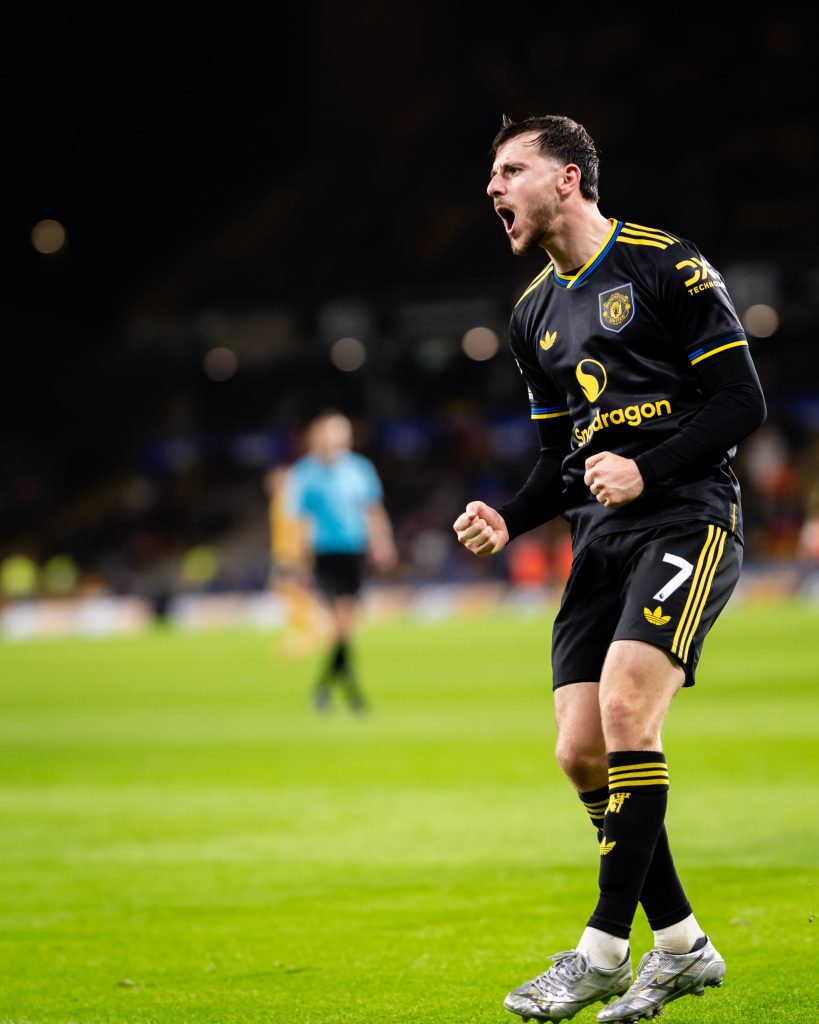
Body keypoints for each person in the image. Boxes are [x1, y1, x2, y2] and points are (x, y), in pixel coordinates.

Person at [453, 114, 766, 1023]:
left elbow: (740, 398)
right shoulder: (530, 316)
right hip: (599, 541)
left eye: (509, 169)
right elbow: (560, 461)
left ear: (568, 180)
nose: (492, 187)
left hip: (687, 516)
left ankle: (599, 949)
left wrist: (648, 467)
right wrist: (507, 518)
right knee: (580, 750)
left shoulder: (665, 263)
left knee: (628, 712)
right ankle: (681, 947)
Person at [286, 411, 398, 713]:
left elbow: (373, 510)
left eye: (343, 433)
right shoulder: (305, 473)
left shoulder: (360, 469)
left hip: (353, 550)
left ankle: (327, 688)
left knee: (345, 625)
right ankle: (349, 692)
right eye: (333, 432)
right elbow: (301, 523)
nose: (339, 439)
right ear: (318, 436)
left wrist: (382, 541)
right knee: (341, 622)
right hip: (324, 553)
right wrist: (300, 565)